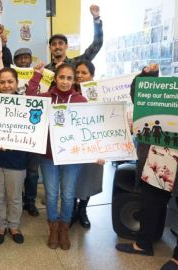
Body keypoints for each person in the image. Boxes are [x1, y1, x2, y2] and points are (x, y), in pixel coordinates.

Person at [116, 59, 178, 270]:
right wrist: (148, 76)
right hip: (160, 161)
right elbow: (141, 96)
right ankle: (143, 243)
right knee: (149, 204)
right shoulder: (170, 95)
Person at [28, 63, 87, 250]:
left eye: (69, 78)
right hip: (49, 155)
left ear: (74, 80)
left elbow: (89, 128)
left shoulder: (81, 101)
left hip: (71, 156)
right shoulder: (46, 98)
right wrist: (37, 75)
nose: (65, 81)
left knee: (69, 195)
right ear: (55, 78)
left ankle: (64, 228)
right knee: (52, 194)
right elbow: (29, 98)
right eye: (61, 77)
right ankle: (53, 228)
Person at [0, 50, 27, 245]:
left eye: (11, 82)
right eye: (3, 82)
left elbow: (32, 131)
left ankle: (14, 225)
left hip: (17, 159)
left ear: (17, 84)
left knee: (15, 196)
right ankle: (0, 226)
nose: (7, 85)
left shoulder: (27, 104)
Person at [70, 60, 105, 229]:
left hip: (94, 143)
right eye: (77, 72)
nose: (79, 76)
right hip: (72, 144)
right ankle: (72, 210)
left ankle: (83, 209)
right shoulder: (68, 92)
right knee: (72, 178)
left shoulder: (100, 94)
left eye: (84, 73)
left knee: (89, 178)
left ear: (92, 75)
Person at [45, 4, 103, 72]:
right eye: (54, 44)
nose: (57, 46)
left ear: (66, 46)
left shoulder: (77, 63)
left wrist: (96, 19)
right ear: (50, 48)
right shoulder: (45, 70)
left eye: (60, 43)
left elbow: (97, 44)